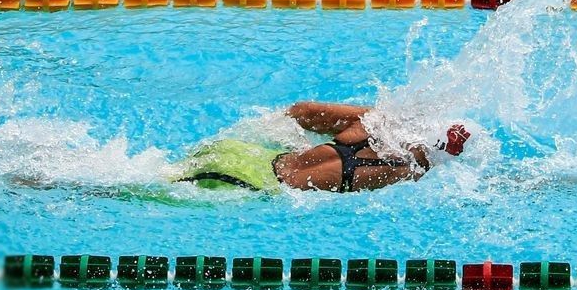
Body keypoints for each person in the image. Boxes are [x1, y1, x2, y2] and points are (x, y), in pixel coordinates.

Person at [173, 101, 470, 194]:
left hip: (242, 153)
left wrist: (299, 146)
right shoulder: (410, 173)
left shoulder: (377, 122)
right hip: (247, 187)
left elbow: (302, 112)